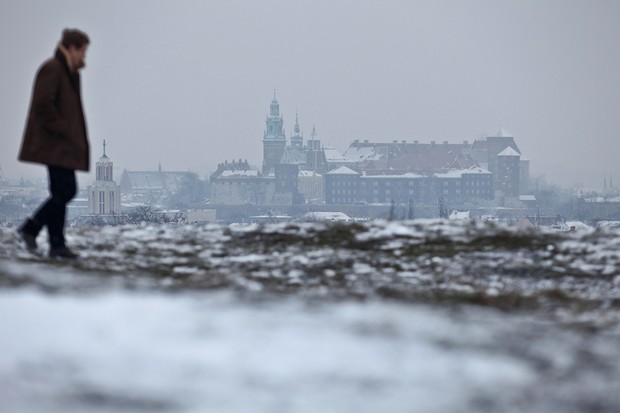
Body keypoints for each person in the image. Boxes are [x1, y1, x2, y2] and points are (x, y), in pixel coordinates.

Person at [17, 29, 91, 259]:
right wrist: (64, 129)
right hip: (55, 144)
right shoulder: (53, 69)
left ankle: (56, 244)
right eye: (83, 51)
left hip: (62, 145)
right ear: (71, 48)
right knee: (66, 190)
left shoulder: (69, 73)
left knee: (61, 191)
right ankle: (32, 229)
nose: (84, 57)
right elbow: (43, 104)